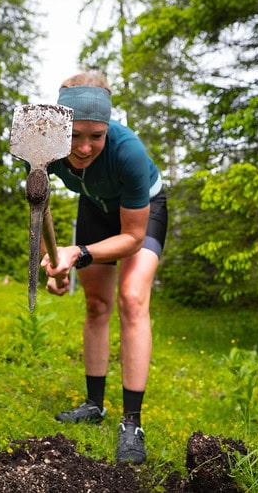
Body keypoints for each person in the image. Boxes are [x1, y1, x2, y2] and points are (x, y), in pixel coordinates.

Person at [40, 71, 168, 465]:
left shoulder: (128, 153)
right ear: (62, 125)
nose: (83, 147)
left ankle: (132, 424)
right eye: (75, 134)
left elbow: (131, 237)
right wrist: (52, 264)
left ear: (108, 127)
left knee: (131, 298)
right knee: (96, 305)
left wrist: (76, 253)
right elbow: (38, 207)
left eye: (95, 136)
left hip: (141, 216)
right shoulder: (46, 147)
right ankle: (94, 404)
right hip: (95, 208)